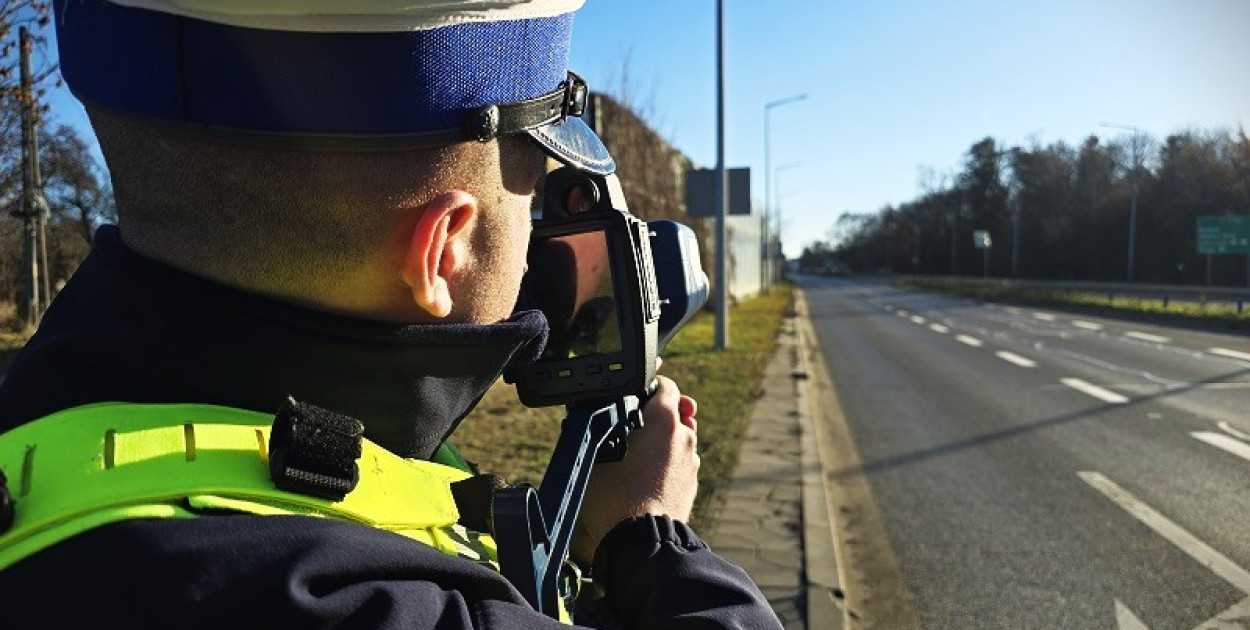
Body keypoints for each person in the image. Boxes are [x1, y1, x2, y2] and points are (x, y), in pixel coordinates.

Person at [0, 1, 784, 628]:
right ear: (443, 249)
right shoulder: (388, 610)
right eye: (535, 187)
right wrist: (652, 544)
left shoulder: (33, 437)